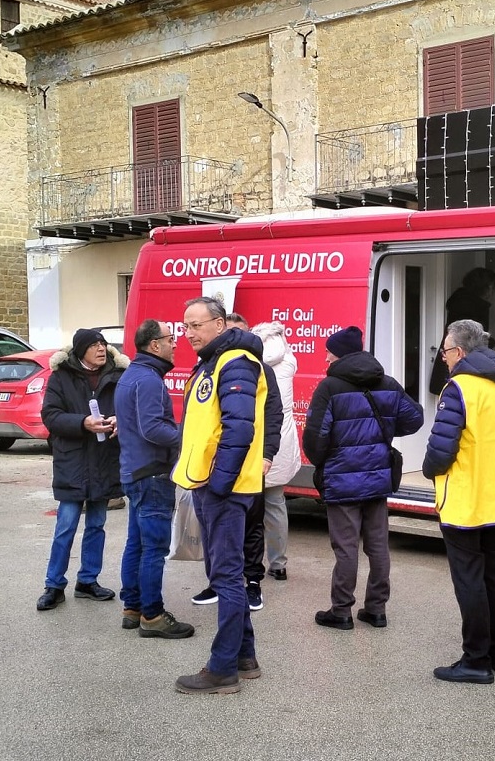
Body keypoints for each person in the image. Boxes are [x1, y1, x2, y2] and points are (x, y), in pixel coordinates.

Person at [422, 319, 495, 684]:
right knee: (494, 574)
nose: (444, 360)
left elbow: (441, 448)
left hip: (466, 497)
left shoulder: (459, 389)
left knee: (470, 578)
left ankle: (475, 660)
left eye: (446, 352)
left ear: (461, 352)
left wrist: (428, 470)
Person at [172, 297, 267, 694]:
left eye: (197, 325)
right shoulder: (214, 362)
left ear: (220, 323)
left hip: (222, 488)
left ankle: (223, 668)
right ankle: (245, 657)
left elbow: (239, 429)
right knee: (225, 573)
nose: (189, 333)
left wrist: (220, 483)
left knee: (226, 577)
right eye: (185, 326)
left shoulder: (235, 363)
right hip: (209, 484)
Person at [302, 326, 423, 631]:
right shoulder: (388, 383)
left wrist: (326, 460)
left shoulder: (329, 388)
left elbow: (315, 440)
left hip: (342, 479)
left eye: (329, 351)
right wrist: (383, 433)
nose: (326, 356)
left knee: (346, 547)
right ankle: (376, 609)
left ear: (340, 354)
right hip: (378, 477)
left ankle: (341, 610)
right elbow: (415, 417)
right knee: (378, 545)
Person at [192, 312, 282, 612]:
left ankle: (253, 581)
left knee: (253, 524)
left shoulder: (252, 367)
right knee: (218, 539)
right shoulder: (210, 364)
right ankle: (217, 583)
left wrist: (268, 453)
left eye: (196, 325)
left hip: (247, 465)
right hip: (217, 470)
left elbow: (272, 414)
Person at [113, 319, 194, 638]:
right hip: (151, 474)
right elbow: (152, 428)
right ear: (154, 345)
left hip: (136, 471)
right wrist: (187, 436)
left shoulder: (132, 375)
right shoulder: (147, 380)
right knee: (154, 548)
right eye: (171, 339)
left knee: (137, 542)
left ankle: (132, 608)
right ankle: (152, 615)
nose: (176, 344)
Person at [36, 328, 126, 611]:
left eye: (103, 344)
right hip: (73, 462)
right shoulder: (61, 377)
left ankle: (88, 580)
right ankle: (54, 585)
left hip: (103, 460)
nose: (101, 349)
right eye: (95, 345)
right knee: (66, 525)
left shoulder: (117, 375)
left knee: (97, 524)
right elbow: (50, 416)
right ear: (81, 350)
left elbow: (129, 409)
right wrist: (82, 423)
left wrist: (119, 422)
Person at [251, 321, 301, 582]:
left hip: (257, 438)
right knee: (276, 504)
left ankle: (251, 562)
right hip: (281, 439)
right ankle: (279, 563)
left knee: (248, 507)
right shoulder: (289, 359)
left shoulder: (252, 361)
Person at [430, 267, 495, 394]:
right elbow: (469, 338)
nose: (493, 291)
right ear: (487, 287)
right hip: (462, 359)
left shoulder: (461, 302)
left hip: (455, 355)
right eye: (492, 287)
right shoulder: (472, 306)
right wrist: (489, 342)